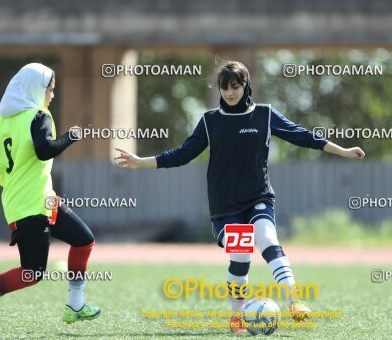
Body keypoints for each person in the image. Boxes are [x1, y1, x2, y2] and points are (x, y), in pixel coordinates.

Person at [114, 61, 365, 334]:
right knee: (242, 253)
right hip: (225, 207)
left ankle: (294, 300)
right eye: (224, 87)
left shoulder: (265, 115)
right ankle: (237, 317)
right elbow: (182, 154)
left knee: (268, 238)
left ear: (246, 86)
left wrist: (344, 151)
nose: (230, 92)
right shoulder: (210, 121)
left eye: (236, 86)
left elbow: (302, 136)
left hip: (259, 197)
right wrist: (141, 162)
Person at [0, 63, 101, 323]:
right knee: (32, 274)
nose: (52, 95)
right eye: (50, 89)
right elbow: (44, 150)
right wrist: (72, 135)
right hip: (31, 205)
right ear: (36, 90)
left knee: (84, 240)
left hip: (40, 201)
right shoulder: (38, 115)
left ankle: (75, 305)